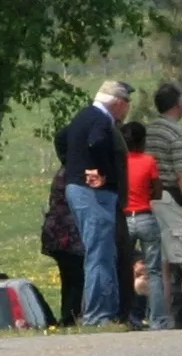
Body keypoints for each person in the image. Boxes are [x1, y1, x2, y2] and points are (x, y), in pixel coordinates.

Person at [55, 80, 133, 326]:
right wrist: (100, 172)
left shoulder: (83, 116)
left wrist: (73, 166)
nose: (127, 110)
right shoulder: (102, 120)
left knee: (100, 251)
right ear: (119, 103)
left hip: (78, 188)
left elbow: (61, 137)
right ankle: (98, 315)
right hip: (94, 193)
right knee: (100, 253)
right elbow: (97, 142)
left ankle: (102, 312)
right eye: (127, 104)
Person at [146, 83, 182, 328]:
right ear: (177, 104)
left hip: (150, 199)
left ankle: (162, 316)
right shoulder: (178, 133)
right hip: (172, 198)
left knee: (163, 264)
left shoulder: (149, 131)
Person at [121, 121, 168, 329]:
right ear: (143, 141)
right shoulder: (148, 161)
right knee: (154, 271)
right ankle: (158, 319)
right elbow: (158, 191)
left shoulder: (119, 162)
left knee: (123, 269)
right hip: (145, 215)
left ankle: (128, 315)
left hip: (124, 218)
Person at [40, 167, 85, 326]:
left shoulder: (61, 173)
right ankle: (70, 317)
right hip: (68, 234)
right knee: (75, 278)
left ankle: (69, 316)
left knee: (69, 278)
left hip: (57, 232)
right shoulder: (72, 174)